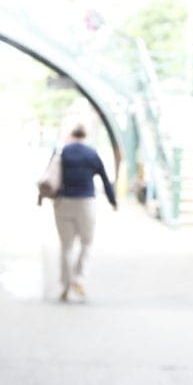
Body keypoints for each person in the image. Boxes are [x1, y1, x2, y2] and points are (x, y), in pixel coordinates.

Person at [53, 124, 116, 302]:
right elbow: (104, 179)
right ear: (85, 136)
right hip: (86, 204)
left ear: (72, 135)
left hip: (63, 202)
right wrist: (112, 200)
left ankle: (65, 285)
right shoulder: (91, 154)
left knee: (66, 246)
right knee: (86, 243)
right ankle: (78, 279)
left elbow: (51, 176)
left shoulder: (62, 152)